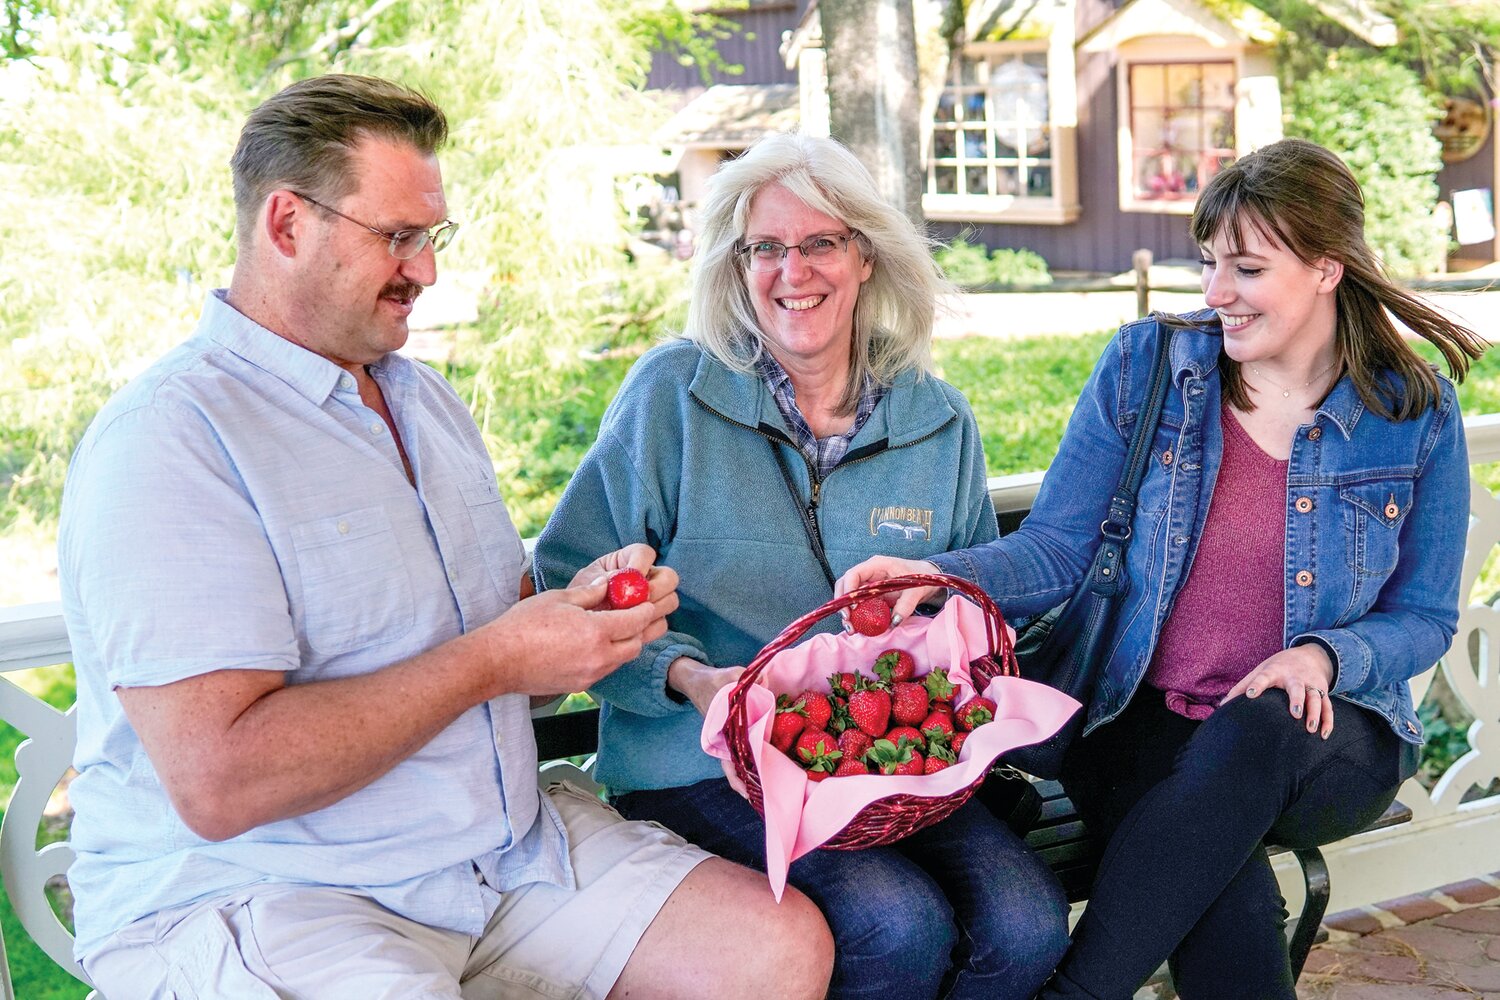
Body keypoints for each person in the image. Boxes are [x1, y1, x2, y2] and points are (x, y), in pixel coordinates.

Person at [57, 74, 833, 1000]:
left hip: (497, 856)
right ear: (286, 225)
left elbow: (488, 629)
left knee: (778, 948)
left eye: (432, 236)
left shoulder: (424, 403)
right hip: (278, 891)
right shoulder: (172, 440)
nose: (426, 268)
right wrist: (497, 659)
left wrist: (577, 620)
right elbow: (221, 781)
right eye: (397, 237)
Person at [839, 136, 1487, 999]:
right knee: (1222, 889)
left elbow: (1425, 617)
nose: (1217, 293)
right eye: (1210, 263)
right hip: (1138, 718)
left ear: (1328, 269)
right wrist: (939, 576)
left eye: (1247, 269)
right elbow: (1060, 547)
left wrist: (1324, 658)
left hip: (1325, 738)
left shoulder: (1411, 409)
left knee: (1258, 725)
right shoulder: (1150, 368)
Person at [534, 131, 1069, 1000]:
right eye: (766, 249)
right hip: (699, 763)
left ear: (864, 256)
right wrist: (689, 677)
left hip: (885, 770)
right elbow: (571, 589)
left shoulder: (937, 419)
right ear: (735, 267)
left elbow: (961, 609)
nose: (795, 271)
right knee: (896, 926)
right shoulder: (674, 394)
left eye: (820, 242)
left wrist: (947, 648)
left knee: (1026, 925)